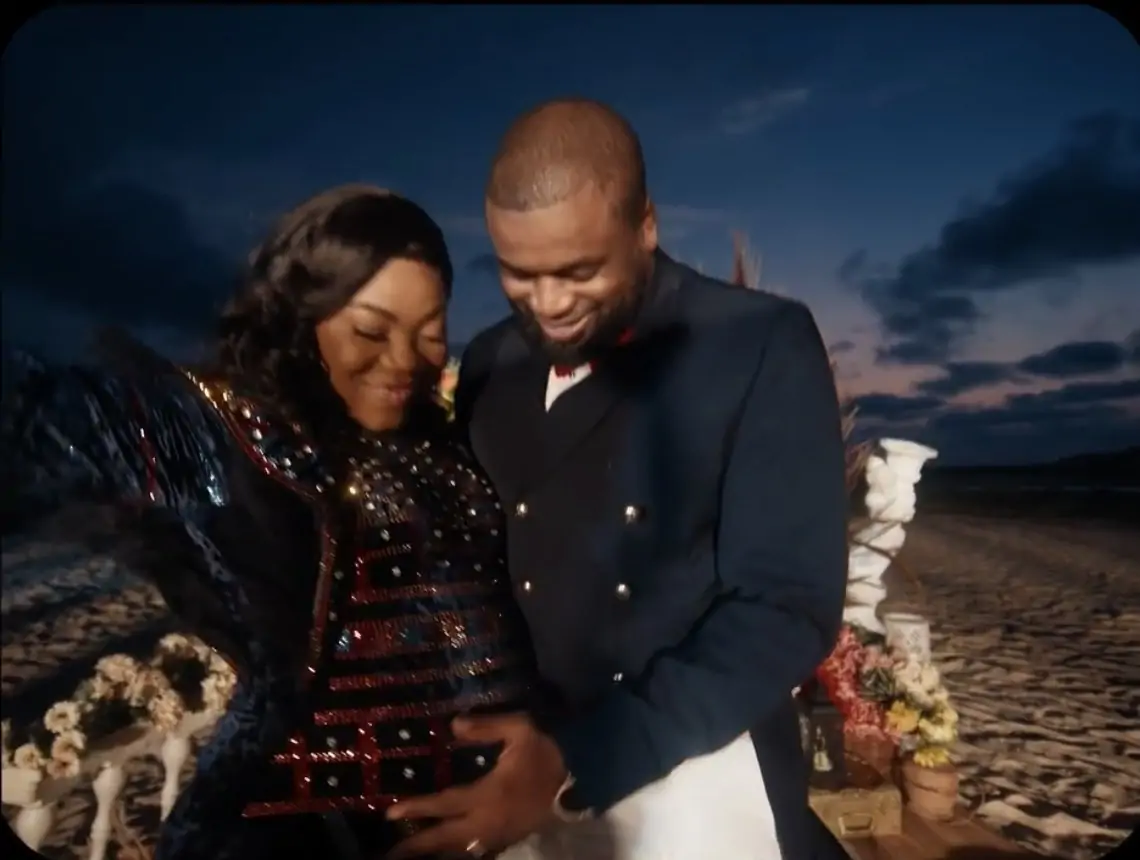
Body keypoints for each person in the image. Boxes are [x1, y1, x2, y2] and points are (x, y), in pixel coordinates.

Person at [0, 185, 538, 860]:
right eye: (371, 331)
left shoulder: (440, 442)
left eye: (430, 333)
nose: (406, 360)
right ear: (300, 316)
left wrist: (550, 753)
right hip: (298, 833)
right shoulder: (234, 434)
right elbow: (46, 419)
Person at [384, 100, 852, 859]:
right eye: (518, 274)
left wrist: (579, 758)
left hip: (691, 762)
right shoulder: (492, 362)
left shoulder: (757, 342)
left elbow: (785, 607)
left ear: (646, 226)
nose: (549, 304)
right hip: (518, 749)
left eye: (579, 271)